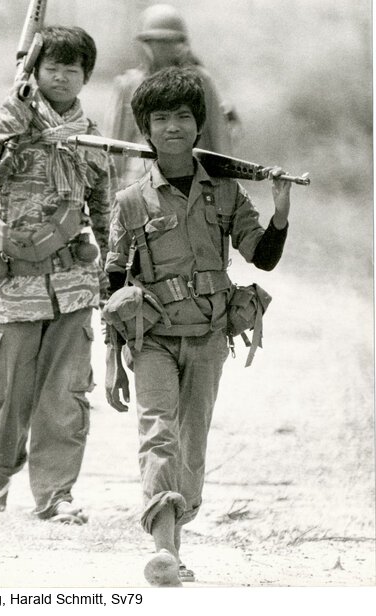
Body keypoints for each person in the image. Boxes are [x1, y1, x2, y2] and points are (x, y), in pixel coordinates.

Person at [103, 67, 292, 585]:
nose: (172, 127)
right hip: (152, 340)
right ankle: (163, 546)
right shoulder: (130, 202)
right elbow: (114, 288)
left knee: (192, 445)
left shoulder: (226, 194)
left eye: (183, 117)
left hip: (208, 338)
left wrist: (280, 212)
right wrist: (112, 365)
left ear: (198, 125)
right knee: (158, 434)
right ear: (145, 129)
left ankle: (175, 546)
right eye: (160, 118)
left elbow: (262, 257)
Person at [0, 26, 116, 524]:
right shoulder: (14, 121)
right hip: (17, 285)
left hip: (73, 286)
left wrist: (113, 278)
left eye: (72, 69)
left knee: (65, 396)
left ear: (85, 78)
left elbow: (104, 211)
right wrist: (11, 113)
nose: (61, 76)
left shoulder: (92, 141)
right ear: (35, 70)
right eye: (51, 67)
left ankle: (55, 494)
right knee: (9, 394)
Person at [103, 4, 234, 188]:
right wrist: (112, 193)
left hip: (192, 181)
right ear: (144, 44)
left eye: (170, 41)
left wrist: (227, 186)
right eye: (156, 42)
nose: (163, 48)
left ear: (182, 43)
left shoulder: (201, 81)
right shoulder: (128, 85)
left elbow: (220, 139)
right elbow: (114, 145)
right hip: (140, 182)